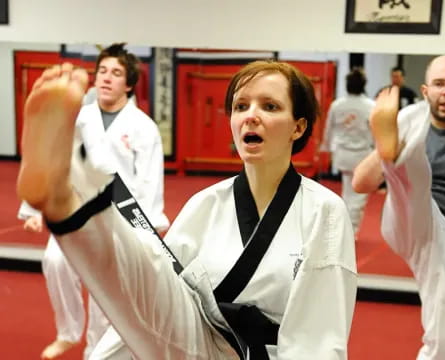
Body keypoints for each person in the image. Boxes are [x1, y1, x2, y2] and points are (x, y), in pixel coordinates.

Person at [17, 60, 357, 359]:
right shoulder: (206, 203)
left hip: (267, 354)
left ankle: (70, 194)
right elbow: (154, 294)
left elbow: (321, 331)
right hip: (195, 343)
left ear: (298, 127)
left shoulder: (323, 211)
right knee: (150, 257)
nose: (251, 115)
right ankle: (65, 197)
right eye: (241, 106)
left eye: (269, 106)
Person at [18, 43, 169, 360]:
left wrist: (146, 227)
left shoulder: (143, 128)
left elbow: (149, 181)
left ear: (128, 84)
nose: (106, 78)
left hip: (118, 216)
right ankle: (68, 332)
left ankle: (95, 352)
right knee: (55, 261)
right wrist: (34, 209)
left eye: (115, 73)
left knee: (105, 291)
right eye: (102, 71)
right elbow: (53, 159)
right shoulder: (77, 116)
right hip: (74, 204)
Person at [353, 55, 445, 359]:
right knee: (416, 184)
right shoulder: (417, 126)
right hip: (407, 214)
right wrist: (384, 153)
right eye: (439, 84)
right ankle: (395, 154)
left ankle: (397, 156)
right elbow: (360, 183)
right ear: (426, 90)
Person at [321, 67, 375, 237]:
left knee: (346, 191)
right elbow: (375, 131)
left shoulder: (338, 105)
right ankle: (351, 230)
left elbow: (329, 128)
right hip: (362, 155)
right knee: (358, 195)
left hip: (343, 154)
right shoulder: (370, 106)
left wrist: (326, 147)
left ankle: (343, 227)